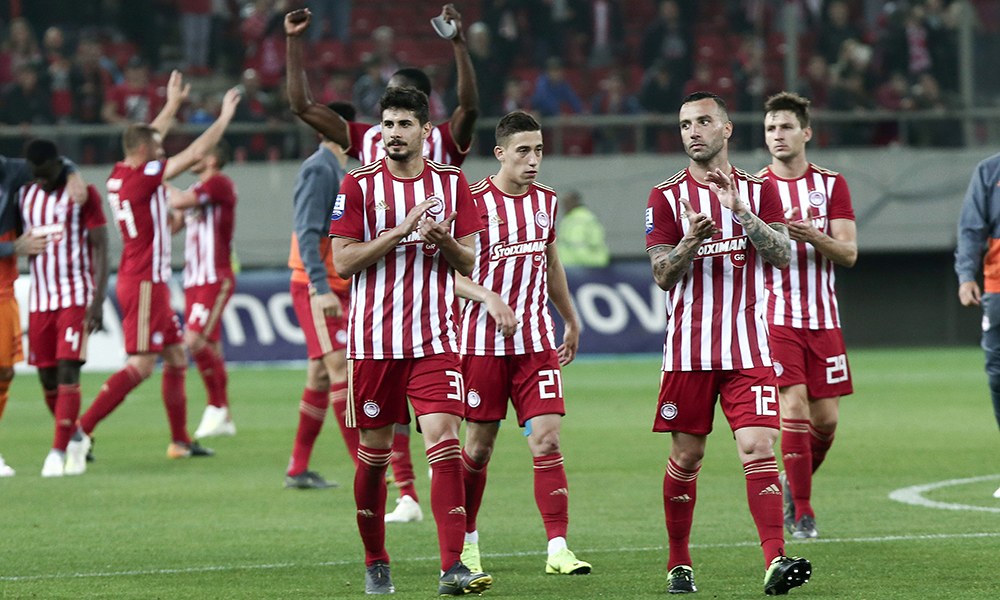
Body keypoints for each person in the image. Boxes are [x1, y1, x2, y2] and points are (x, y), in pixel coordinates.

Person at [286, 4, 481, 522]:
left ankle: (441, 522)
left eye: (404, 109)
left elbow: (471, 106)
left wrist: (458, 43)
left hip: (434, 298)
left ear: (424, 119)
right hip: (378, 295)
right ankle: (406, 494)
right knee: (372, 408)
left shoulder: (446, 147)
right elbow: (302, 105)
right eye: (387, 110)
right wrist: (294, 42)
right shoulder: (368, 143)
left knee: (442, 425)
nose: (392, 121)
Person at [644, 91, 811, 595]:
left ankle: (775, 559)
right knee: (687, 458)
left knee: (759, 446)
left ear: (726, 128)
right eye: (684, 124)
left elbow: (782, 255)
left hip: (748, 350)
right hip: (688, 353)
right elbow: (662, 275)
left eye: (702, 121)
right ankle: (679, 562)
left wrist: (740, 211)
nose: (692, 132)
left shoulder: (759, 190)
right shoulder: (664, 197)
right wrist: (691, 240)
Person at [328, 86, 491, 596]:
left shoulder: (452, 182)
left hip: (434, 339)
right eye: (388, 125)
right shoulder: (357, 185)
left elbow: (470, 261)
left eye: (404, 124)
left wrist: (444, 241)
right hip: (374, 344)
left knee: (443, 439)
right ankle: (376, 559)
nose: (394, 134)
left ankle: (452, 567)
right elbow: (343, 262)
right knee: (374, 457)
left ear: (425, 130)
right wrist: (399, 231)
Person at [66, 74, 241, 474]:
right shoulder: (145, 179)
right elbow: (196, 151)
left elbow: (147, 136)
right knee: (143, 364)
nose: (163, 152)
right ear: (146, 153)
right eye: (158, 150)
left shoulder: (118, 174)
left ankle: (180, 441)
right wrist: (224, 117)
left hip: (148, 280)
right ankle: (81, 430)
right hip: (144, 281)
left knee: (176, 356)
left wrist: (172, 104)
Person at [456, 110, 591, 576]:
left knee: (547, 440)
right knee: (478, 448)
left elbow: (550, 262)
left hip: (536, 344)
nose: (533, 160)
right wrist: (488, 297)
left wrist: (570, 319)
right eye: (523, 152)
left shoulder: (546, 201)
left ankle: (558, 548)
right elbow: (447, 275)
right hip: (480, 346)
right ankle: (466, 543)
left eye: (538, 151)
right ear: (500, 154)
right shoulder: (471, 203)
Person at [758, 92, 858, 538]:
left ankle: (790, 485)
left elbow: (849, 253)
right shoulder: (756, 188)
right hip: (776, 317)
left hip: (824, 318)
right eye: (770, 128)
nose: (777, 135)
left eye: (785, 127)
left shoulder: (831, 185)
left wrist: (813, 236)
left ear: (806, 132)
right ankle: (802, 512)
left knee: (827, 421)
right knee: (793, 406)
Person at [20, 139, 109, 477]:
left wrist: (97, 300)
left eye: (45, 174)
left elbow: (101, 247)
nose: (41, 180)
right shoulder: (24, 196)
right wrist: (17, 246)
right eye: (36, 175)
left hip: (75, 296)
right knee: (47, 378)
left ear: (58, 164)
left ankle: (57, 453)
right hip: (40, 299)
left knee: (68, 369)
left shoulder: (83, 194)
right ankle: (75, 438)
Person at [284, 101, 359, 490]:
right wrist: (319, 286)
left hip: (334, 284)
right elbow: (307, 231)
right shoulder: (319, 169)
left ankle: (297, 468)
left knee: (319, 374)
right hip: (318, 285)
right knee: (340, 370)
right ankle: (368, 469)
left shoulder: (338, 170)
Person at [0, 145, 87, 478]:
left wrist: (73, 172)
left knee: (4, 373)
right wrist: (12, 247)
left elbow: (51, 161)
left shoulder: (10, 171)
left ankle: (73, 436)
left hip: (5, 291)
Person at [171, 140, 238, 440]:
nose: (192, 157)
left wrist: (156, 180)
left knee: (194, 340)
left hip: (214, 276)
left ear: (212, 159)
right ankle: (225, 418)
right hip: (193, 280)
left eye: (199, 154)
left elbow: (180, 202)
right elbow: (174, 224)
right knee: (211, 346)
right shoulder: (196, 189)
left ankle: (217, 406)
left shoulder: (219, 183)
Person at [955, 148, 1000, 500]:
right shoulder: (989, 171)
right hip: (997, 288)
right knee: (997, 374)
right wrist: (966, 275)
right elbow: (971, 228)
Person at [557, 190, 610, 267]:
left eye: (566, 202)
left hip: (581, 265)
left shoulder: (578, 219)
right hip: (574, 265)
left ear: (575, 202)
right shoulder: (571, 218)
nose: (564, 206)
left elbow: (577, 245)